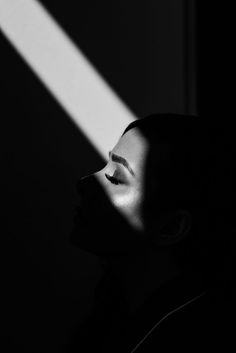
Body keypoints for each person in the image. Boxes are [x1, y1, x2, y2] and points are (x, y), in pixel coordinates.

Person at [68, 113, 234, 352]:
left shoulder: (192, 336)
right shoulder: (112, 307)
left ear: (171, 228)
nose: (83, 183)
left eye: (115, 179)